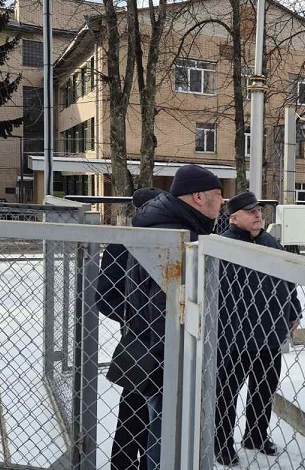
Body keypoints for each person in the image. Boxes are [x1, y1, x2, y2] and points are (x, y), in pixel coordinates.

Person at [107, 164, 223, 470]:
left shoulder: (165, 228)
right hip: (167, 358)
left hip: (150, 349)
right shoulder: (179, 237)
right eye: (218, 194)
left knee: (144, 428)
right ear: (198, 197)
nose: (223, 201)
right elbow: (158, 305)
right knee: (163, 437)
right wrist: (170, 355)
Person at [214, 191, 301, 466]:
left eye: (258, 211)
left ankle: (256, 435)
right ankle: (222, 443)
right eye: (250, 212)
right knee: (226, 394)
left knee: (264, 390)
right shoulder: (223, 245)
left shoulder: (270, 242)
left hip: (269, 333)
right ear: (233, 218)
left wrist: (293, 310)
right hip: (234, 337)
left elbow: (287, 279)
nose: (257, 215)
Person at [98, 187, 165, 470]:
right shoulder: (123, 244)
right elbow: (104, 295)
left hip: (165, 340)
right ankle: (123, 463)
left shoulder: (169, 240)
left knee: (158, 411)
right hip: (138, 341)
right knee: (134, 407)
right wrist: (134, 318)